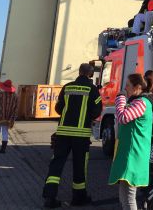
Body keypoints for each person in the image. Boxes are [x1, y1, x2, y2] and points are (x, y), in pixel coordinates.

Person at [42, 64, 102, 208]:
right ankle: (78, 198)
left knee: (56, 164)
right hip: (81, 135)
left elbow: (58, 108)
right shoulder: (93, 89)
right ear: (90, 74)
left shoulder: (67, 87)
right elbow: (97, 111)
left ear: (79, 72)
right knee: (80, 166)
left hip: (63, 133)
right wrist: (86, 117)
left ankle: (49, 197)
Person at [108, 73, 153, 210]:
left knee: (129, 197)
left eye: (128, 85)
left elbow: (123, 117)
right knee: (123, 195)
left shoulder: (142, 102)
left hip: (134, 154)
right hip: (129, 152)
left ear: (137, 87)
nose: (125, 88)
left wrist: (120, 99)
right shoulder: (137, 101)